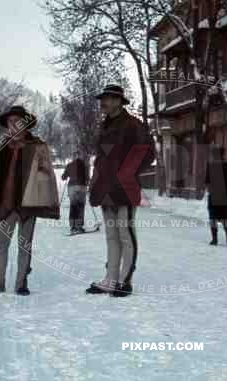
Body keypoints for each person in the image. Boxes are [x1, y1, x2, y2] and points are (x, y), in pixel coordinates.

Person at [0, 105, 60, 296]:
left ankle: (21, 283)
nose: (14, 125)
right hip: (4, 204)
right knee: (0, 245)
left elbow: (47, 176)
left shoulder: (38, 146)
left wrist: (41, 180)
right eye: (10, 121)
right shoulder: (1, 146)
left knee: (24, 245)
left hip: (27, 204)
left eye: (18, 121)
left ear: (25, 124)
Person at [86, 84, 155, 297]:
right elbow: (101, 160)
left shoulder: (134, 125)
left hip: (124, 188)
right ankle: (110, 279)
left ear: (118, 101)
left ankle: (125, 281)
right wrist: (95, 184)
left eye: (107, 98)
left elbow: (148, 153)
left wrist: (126, 175)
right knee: (111, 237)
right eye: (102, 99)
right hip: (106, 189)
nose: (103, 102)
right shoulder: (104, 126)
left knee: (125, 235)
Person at [205, 145, 227, 246]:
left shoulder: (210, 165)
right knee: (225, 217)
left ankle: (214, 239)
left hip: (214, 195)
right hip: (226, 195)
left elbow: (207, 181)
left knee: (213, 218)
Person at [62, 150, 89, 234]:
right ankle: (79, 226)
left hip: (71, 187)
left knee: (73, 206)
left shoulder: (69, 165)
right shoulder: (84, 165)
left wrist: (66, 176)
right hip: (81, 186)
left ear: (73, 156)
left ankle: (73, 226)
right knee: (80, 206)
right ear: (80, 156)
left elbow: (63, 177)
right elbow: (87, 177)